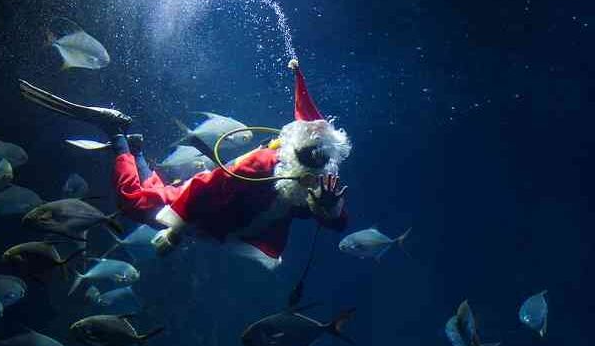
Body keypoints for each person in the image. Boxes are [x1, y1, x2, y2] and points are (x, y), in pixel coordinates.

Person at [19, 59, 350, 267]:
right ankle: (117, 133)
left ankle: (136, 150)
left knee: (156, 195)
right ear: (295, 155)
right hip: (198, 207)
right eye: (309, 163)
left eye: (319, 165)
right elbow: (210, 188)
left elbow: (333, 223)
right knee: (135, 203)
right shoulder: (262, 165)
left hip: (215, 221)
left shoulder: (318, 183)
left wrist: (330, 208)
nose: (313, 173)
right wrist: (176, 230)